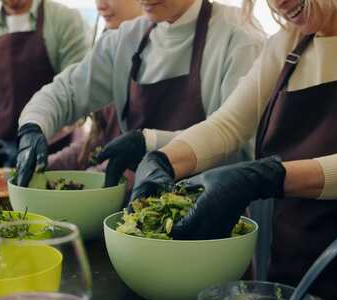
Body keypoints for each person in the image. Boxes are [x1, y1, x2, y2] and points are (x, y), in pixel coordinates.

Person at [129, 0, 337, 300]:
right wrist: (163, 159)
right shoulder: (287, 45)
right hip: (293, 278)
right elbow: (226, 126)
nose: (278, 3)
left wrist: (266, 177)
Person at [15, 0, 266, 188]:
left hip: (214, 219)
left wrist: (149, 142)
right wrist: (33, 126)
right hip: (137, 214)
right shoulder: (127, 37)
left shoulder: (240, 37)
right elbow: (66, 92)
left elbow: (238, 144)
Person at [46, 0, 142, 173]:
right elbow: (100, 139)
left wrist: (93, 178)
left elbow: (143, 157)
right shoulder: (108, 45)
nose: (100, 6)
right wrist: (48, 164)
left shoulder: (156, 53)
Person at [0, 0, 89, 143]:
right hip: (4, 156)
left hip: (58, 150)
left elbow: (76, 98)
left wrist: (31, 145)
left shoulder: (65, 20)